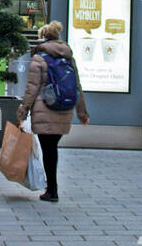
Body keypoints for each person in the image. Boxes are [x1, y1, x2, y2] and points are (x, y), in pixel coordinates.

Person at [16, 21, 89, 203]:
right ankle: (51, 187)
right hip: (65, 109)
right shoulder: (68, 57)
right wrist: (82, 113)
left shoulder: (39, 58)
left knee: (49, 149)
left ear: (43, 37)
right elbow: (77, 86)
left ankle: (52, 190)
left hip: (44, 109)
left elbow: (32, 89)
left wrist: (22, 113)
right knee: (52, 148)